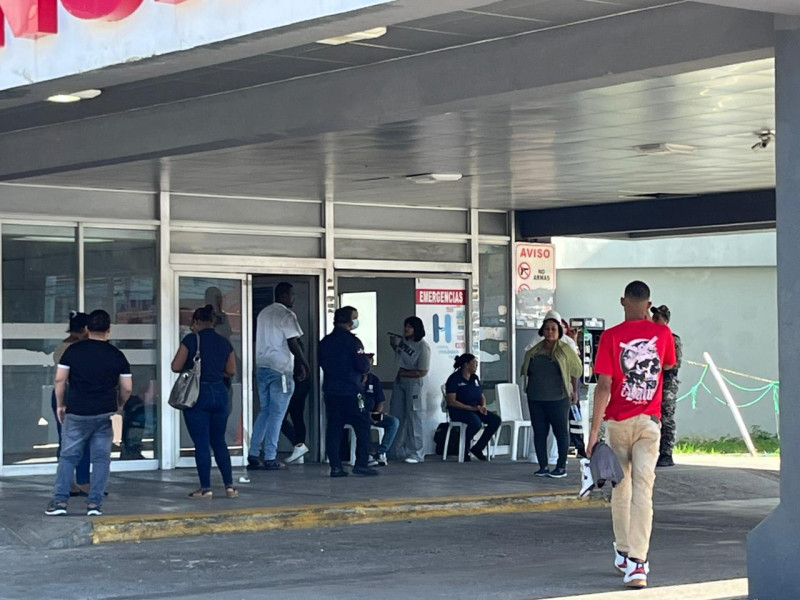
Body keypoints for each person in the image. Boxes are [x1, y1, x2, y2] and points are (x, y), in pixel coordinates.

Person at [587, 281, 676, 589]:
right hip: (649, 423)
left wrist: (593, 432)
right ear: (648, 304)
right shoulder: (663, 334)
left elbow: (603, 386)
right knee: (643, 490)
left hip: (617, 424)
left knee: (621, 489)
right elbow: (668, 363)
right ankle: (638, 563)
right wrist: (654, 327)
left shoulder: (610, 337)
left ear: (622, 301)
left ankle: (624, 552)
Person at [45, 310, 133, 517]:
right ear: (108, 330)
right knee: (101, 459)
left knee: (68, 457)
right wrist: (119, 404)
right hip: (103, 412)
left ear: (87, 328)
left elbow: (59, 379)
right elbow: (127, 387)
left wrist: (60, 404)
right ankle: (94, 504)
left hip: (76, 411)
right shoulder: (116, 354)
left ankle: (60, 502)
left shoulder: (73, 351)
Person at [171, 305, 238, 499]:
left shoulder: (191, 340)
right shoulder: (224, 342)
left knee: (201, 443)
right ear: (213, 322)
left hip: (197, 395)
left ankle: (206, 488)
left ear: (195, 322)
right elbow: (231, 371)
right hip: (220, 393)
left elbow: (176, 366)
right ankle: (230, 487)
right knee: (219, 442)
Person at [248, 282, 310, 471]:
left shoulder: (263, 313)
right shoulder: (286, 314)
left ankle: (253, 453)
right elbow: (293, 342)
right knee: (277, 414)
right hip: (280, 370)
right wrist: (303, 363)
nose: (293, 298)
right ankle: (270, 456)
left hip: (262, 367)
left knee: (265, 411)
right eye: (291, 294)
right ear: (283, 295)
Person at [520, 310, 582, 478]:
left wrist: (574, 391)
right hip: (536, 397)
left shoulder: (565, 349)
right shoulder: (535, 349)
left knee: (561, 432)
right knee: (540, 432)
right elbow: (527, 368)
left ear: (559, 331)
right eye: (547, 329)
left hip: (558, 398)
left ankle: (561, 467)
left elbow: (576, 370)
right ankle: (543, 466)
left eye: (553, 329)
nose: (549, 332)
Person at [319, 306, 378, 477]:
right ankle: (361, 463)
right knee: (363, 425)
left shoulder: (325, 342)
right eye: (355, 317)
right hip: (353, 392)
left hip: (331, 391)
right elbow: (363, 366)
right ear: (349, 321)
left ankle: (336, 466)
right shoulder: (353, 342)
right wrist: (366, 363)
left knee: (334, 428)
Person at [51, 311, 91, 495]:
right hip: (73, 395)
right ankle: (82, 481)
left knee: (66, 439)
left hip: (61, 395)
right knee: (83, 440)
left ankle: (68, 482)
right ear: (85, 328)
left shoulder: (62, 346)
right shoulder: (77, 348)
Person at [444, 353, 501, 461]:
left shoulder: (475, 378)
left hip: (476, 409)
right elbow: (451, 401)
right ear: (466, 365)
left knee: (495, 420)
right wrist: (471, 408)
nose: (476, 365)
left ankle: (478, 448)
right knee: (475, 422)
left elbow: (481, 395)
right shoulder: (454, 379)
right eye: (474, 363)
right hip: (459, 410)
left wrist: (483, 406)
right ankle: (463, 448)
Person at [389, 316, 431, 464]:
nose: (406, 329)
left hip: (414, 383)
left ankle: (417, 452)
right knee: (396, 415)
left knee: (414, 417)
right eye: (406, 326)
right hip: (400, 380)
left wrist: (405, 374)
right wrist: (394, 345)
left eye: (410, 327)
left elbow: (422, 371)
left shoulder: (423, 347)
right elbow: (401, 357)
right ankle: (395, 450)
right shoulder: (404, 342)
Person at [650, 305, 682, 468]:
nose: (654, 320)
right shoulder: (650, 338)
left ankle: (666, 453)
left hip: (667, 382)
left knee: (666, 416)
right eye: (653, 317)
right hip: (652, 381)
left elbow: (674, 363)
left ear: (666, 321)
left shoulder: (672, 338)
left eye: (658, 318)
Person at [362, 355, 400, 466]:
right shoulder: (353, 379)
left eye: (370, 364)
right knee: (362, 423)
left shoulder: (374, 380)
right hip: (358, 414)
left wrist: (376, 413)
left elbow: (380, 401)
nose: (368, 366)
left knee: (393, 422)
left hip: (373, 413)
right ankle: (366, 454)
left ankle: (380, 452)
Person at [280, 340, 311, 464]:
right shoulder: (296, 346)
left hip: (296, 382)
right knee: (296, 416)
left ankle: (299, 445)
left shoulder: (291, 346)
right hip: (299, 383)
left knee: (282, 417)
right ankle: (299, 447)